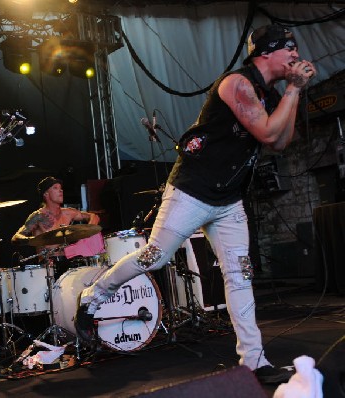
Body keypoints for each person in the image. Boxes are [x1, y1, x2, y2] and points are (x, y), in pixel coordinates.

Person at [74, 25, 316, 385]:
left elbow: (281, 143)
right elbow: (267, 133)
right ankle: (94, 295)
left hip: (229, 200)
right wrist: (294, 89)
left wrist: (293, 95)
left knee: (240, 277)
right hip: (192, 191)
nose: (296, 55)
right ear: (266, 53)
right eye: (289, 49)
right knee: (153, 257)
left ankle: (253, 361)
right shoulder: (237, 84)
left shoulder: (270, 94)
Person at [11, 177, 101, 277]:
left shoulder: (68, 212)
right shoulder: (38, 216)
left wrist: (88, 231)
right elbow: (16, 237)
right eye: (55, 188)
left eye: (61, 188)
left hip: (70, 261)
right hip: (49, 267)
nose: (61, 190)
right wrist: (32, 240)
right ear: (46, 194)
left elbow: (93, 216)